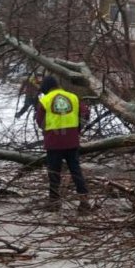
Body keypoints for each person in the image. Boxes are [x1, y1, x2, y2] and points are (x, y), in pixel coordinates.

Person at [35, 76, 91, 213]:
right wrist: (77, 129)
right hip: (72, 142)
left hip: (53, 143)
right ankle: (84, 202)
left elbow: (39, 120)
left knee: (54, 173)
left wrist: (47, 130)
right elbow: (85, 113)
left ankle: (54, 203)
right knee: (76, 171)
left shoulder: (45, 100)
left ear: (46, 88)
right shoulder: (73, 97)